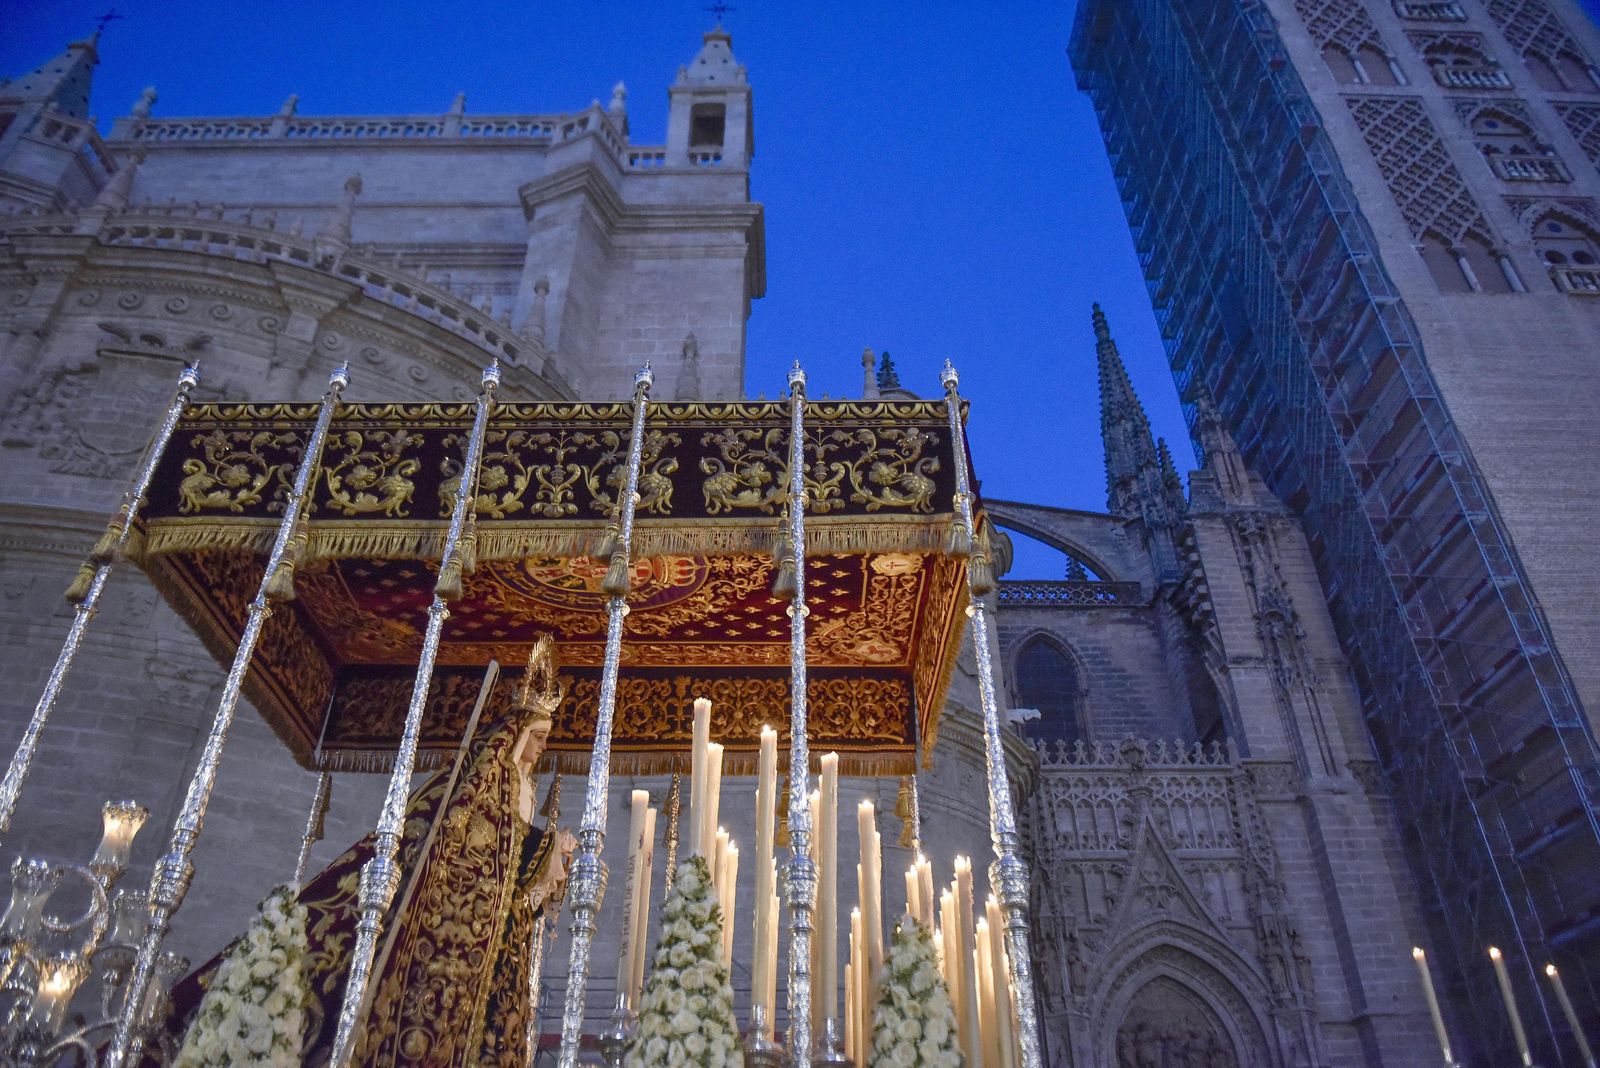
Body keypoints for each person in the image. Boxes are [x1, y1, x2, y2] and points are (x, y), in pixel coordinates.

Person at [164, 636, 576, 1068]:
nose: (543, 746)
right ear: (519, 735)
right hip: (456, 921)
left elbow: (513, 853)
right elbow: (479, 835)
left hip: (497, 927)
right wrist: (544, 846)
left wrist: (549, 857)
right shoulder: (492, 777)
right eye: (540, 736)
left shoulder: (525, 787)